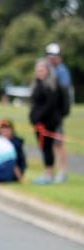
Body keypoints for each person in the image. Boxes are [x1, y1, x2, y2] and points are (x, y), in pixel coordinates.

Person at [28, 57, 68, 184]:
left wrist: (39, 117)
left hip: (51, 122)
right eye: (38, 70)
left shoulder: (52, 86)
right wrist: (34, 118)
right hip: (39, 123)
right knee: (45, 148)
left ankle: (59, 173)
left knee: (56, 146)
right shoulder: (37, 85)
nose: (40, 72)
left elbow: (51, 105)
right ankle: (48, 173)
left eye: (42, 70)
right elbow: (35, 104)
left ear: (48, 70)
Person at [45, 43, 72, 182]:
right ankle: (56, 171)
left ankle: (62, 172)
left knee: (59, 143)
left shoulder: (61, 71)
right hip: (51, 114)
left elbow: (65, 95)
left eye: (54, 57)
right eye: (49, 56)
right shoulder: (51, 70)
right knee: (53, 144)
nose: (51, 59)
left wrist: (61, 113)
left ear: (59, 57)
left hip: (58, 115)